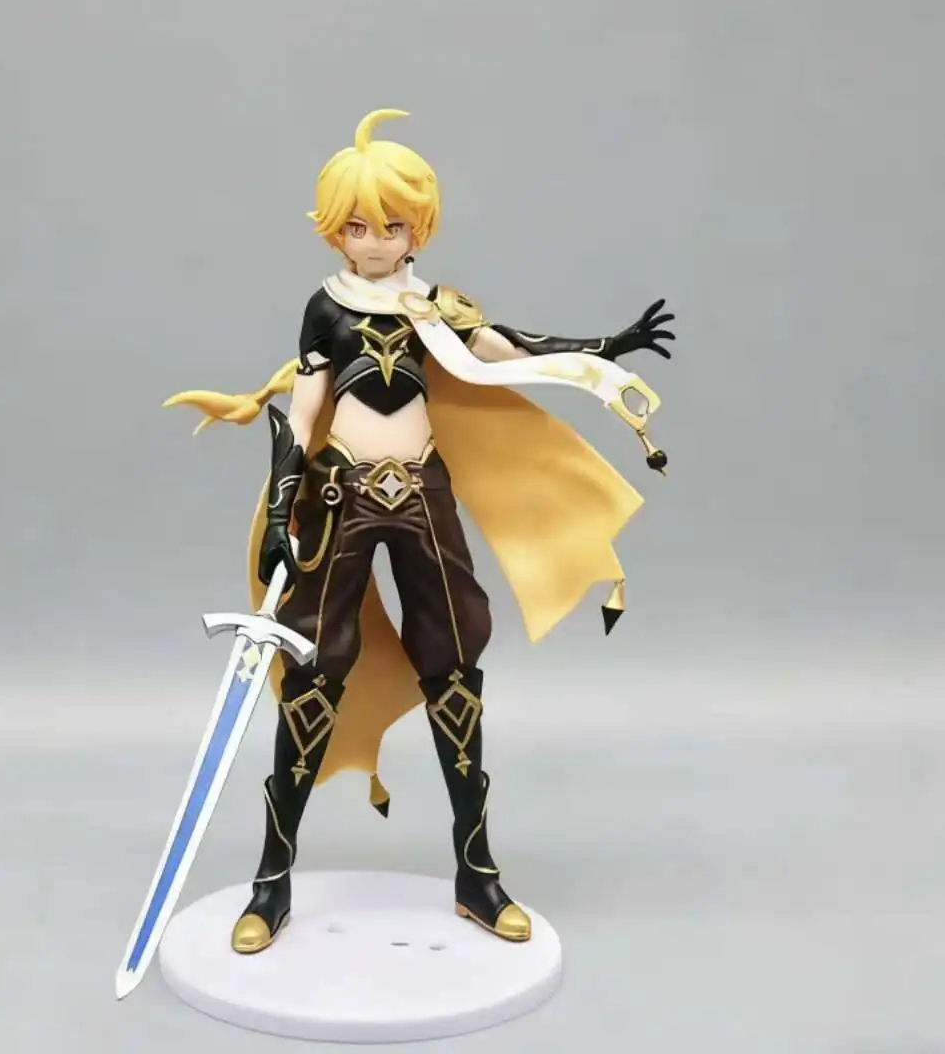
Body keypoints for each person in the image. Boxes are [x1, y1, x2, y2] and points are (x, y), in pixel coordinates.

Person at [164, 109, 675, 954]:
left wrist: (600, 350)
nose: (372, 243)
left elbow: (506, 349)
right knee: (314, 670)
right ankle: (270, 883)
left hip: (423, 498)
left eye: (390, 227)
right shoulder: (326, 308)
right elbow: (305, 411)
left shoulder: (435, 307)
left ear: (418, 228)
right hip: (340, 497)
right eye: (356, 227)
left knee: (454, 665)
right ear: (335, 230)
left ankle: (477, 875)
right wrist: (283, 506)